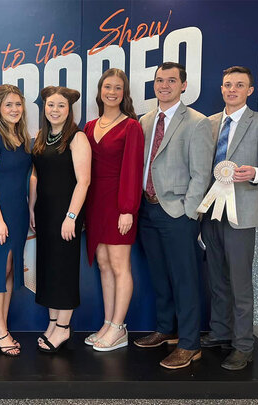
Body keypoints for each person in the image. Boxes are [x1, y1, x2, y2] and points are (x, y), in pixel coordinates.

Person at [200, 66, 258, 371]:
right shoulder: (208, 124)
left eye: (239, 85)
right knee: (217, 277)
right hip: (211, 211)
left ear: (250, 90)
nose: (232, 89)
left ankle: (243, 345)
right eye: (227, 84)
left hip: (242, 214)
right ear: (222, 89)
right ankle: (220, 331)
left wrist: (256, 173)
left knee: (240, 282)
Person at [134, 62, 214, 369]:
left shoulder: (197, 122)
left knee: (185, 279)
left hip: (177, 211)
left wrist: (188, 212)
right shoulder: (145, 120)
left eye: (171, 80)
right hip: (147, 209)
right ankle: (166, 328)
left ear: (183, 84)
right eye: (159, 80)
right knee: (158, 274)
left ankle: (190, 344)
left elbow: (201, 173)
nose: (163, 85)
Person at [82, 68, 144, 352]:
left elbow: (133, 169)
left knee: (120, 266)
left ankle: (120, 327)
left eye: (118, 88)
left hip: (119, 203)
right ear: (100, 90)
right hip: (95, 203)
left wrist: (127, 209)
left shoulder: (131, 126)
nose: (112, 92)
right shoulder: (90, 126)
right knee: (104, 263)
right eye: (107, 86)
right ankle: (108, 323)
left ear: (124, 93)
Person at [29, 86, 91, 352]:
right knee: (48, 269)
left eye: (61, 106)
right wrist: (32, 208)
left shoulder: (77, 138)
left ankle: (64, 328)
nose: (55, 110)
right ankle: (53, 322)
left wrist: (71, 217)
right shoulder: (42, 137)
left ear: (69, 109)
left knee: (63, 270)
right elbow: (35, 175)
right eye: (51, 105)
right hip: (44, 213)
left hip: (66, 215)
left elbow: (84, 180)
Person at [0, 84, 32, 356]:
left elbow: (30, 177)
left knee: (10, 270)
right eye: (9, 105)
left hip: (18, 213)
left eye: (18, 104)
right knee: (0, 268)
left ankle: (3, 326)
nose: (14, 109)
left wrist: (31, 209)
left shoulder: (22, 136)